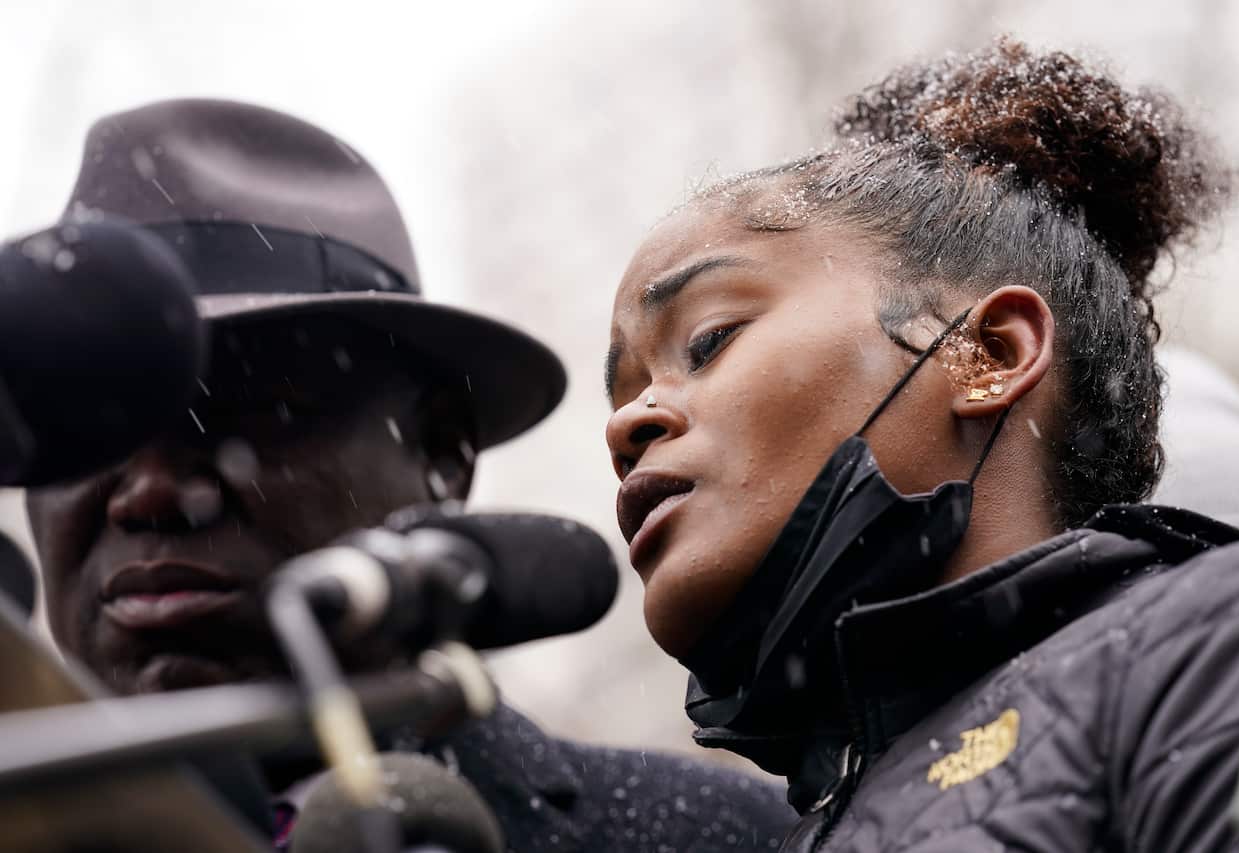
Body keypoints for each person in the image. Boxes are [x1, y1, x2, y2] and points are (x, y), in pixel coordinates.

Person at [23, 99, 791, 851]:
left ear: (442, 453)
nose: (149, 491)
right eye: (83, 425)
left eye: (246, 407)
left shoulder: (715, 838)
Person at [603, 38, 1239, 851]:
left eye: (708, 341)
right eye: (625, 387)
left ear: (984, 353)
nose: (627, 423)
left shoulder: (1225, 652)